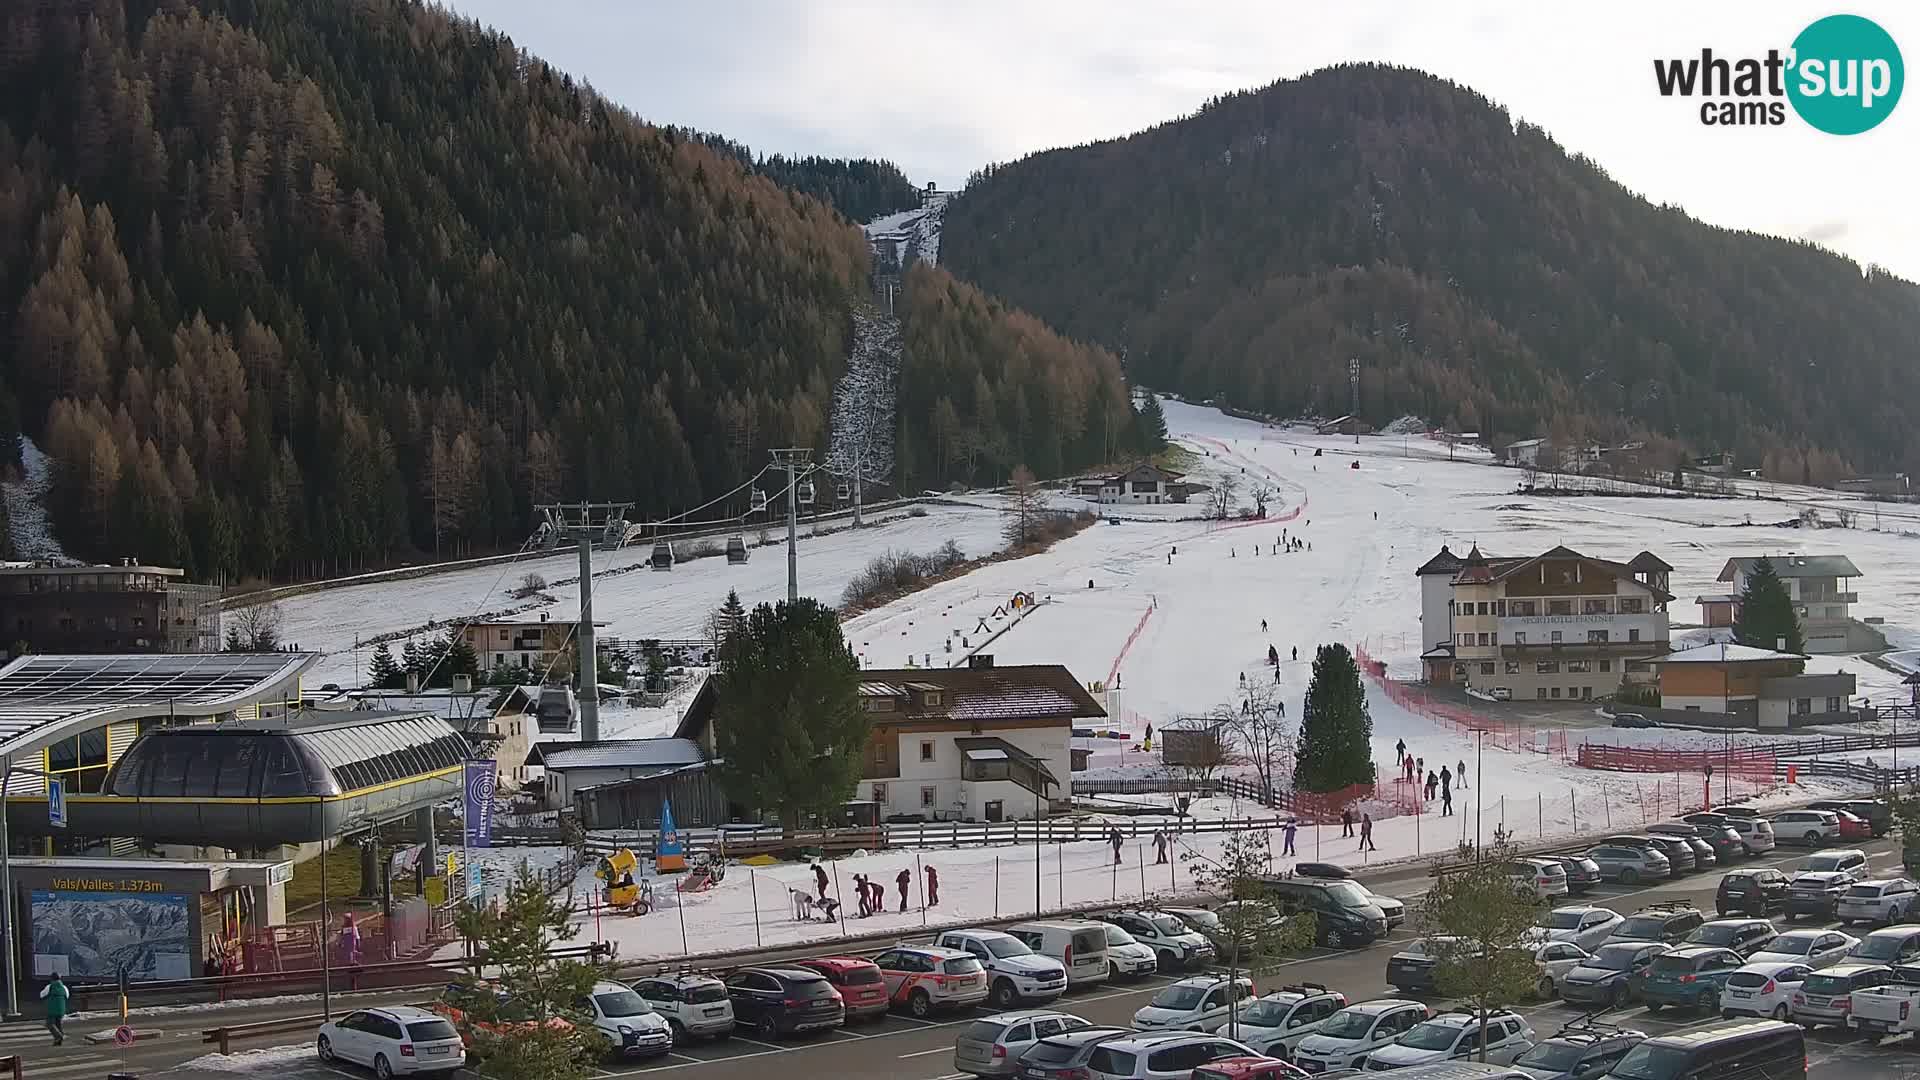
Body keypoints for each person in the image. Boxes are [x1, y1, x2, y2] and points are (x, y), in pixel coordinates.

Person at [40, 971, 67, 1045]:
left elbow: (42, 995)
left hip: (51, 1009)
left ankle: (59, 1036)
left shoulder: (49, 986)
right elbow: (67, 996)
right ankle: (58, 1041)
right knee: (58, 1024)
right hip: (61, 1009)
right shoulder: (64, 987)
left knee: (49, 1024)